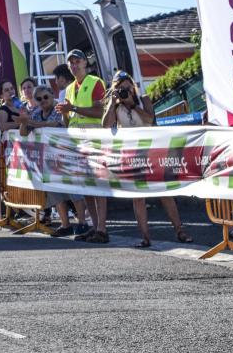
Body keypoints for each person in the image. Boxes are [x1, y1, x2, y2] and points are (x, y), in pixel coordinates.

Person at [101, 71, 192, 247]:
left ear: (133, 86)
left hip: (151, 151)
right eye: (120, 88)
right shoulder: (116, 105)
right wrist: (113, 103)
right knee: (138, 197)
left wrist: (133, 105)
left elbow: (150, 120)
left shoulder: (144, 99)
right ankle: (145, 237)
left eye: (127, 87)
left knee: (164, 192)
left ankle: (180, 230)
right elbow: (105, 125)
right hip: (131, 154)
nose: (125, 91)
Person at [18, 85, 89, 236]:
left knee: (74, 191)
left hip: (66, 155)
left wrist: (33, 124)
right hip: (49, 159)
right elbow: (23, 133)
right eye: (39, 99)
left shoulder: (59, 108)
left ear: (52, 95)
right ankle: (65, 224)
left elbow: (55, 125)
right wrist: (24, 122)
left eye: (45, 97)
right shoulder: (36, 112)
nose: (43, 101)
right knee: (56, 192)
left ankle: (82, 223)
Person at [56, 49, 109, 243]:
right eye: (71, 62)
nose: (74, 65)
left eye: (77, 61)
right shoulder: (69, 88)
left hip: (95, 140)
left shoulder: (95, 82)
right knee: (87, 187)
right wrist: (64, 112)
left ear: (85, 63)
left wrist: (72, 108)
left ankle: (102, 228)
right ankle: (94, 227)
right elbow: (70, 119)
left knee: (99, 186)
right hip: (78, 142)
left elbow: (99, 112)